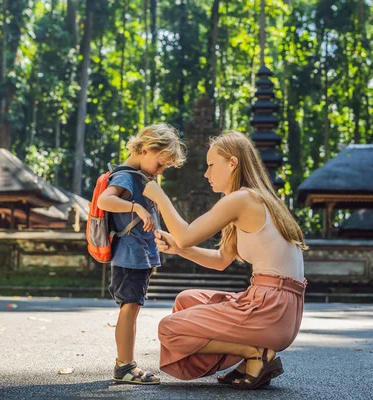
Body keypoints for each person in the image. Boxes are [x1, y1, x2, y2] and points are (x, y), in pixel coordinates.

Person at [142, 130, 308, 390]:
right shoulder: (256, 199)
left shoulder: (241, 199)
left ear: (232, 163)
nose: (206, 174)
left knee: (168, 329)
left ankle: (254, 353)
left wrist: (159, 196)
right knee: (185, 299)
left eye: (211, 165)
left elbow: (185, 235)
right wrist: (178, 249)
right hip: (279, 307)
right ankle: (252, 355)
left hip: (271, 308)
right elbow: (221, 260)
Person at [96, 123, 186, 385]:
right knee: (130, 307)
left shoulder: (138, 176)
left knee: (131, 306)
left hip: (136, 255)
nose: (160, 172)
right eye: (160, 165)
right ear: (146, 149)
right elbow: (105, 200)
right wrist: (136, 207)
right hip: (129, 256)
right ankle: (124, 366)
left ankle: (126, 363)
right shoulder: (126, 177)